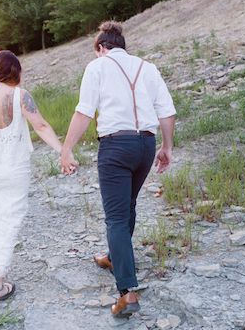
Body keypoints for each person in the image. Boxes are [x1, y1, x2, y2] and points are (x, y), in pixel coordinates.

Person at [60, 21, 176, 317]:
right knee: (129, 205)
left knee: (115, 218)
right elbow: (166, 111)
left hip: (115, 146)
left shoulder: (97, 67)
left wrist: (67, 148)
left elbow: (85, 110)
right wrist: (167, 147)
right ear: (121, 45)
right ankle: (114, 257)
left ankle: (127, 292)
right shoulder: (147, 67)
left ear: (101, 48)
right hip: (145, 146)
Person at [0, 50, 73, 301]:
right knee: (7, 222)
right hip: (13, 170)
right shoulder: (21, 96)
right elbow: (41, 126)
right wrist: (63, 152)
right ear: (15, 71)